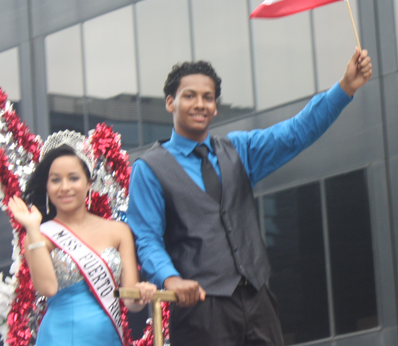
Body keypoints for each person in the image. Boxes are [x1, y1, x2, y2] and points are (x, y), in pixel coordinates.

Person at [127, 48, 373, 346]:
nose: (200, 104)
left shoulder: (239, 149)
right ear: (170, 102)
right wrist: (170, 279)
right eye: (189, 96)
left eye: (208, 97)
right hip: (200, 308)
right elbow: (146, 239)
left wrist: (345, 88)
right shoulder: (149, 168)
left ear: (216, 107)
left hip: (258, 301)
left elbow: (295, 133)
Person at [8, 131, 157, 346]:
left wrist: (141, 293)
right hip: (59, 337)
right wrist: (32, 228)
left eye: (73, 178)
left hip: (107, 337)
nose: (65, 187)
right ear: (47, 187)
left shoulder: (118, 231)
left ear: (88, 183)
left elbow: (130, 300)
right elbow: (47, 288)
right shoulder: (40, 235)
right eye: (56, 180)